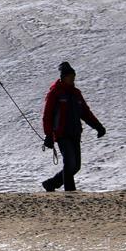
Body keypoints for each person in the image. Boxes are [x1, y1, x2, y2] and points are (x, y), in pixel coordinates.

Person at [41, 61, 106, 192]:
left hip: (75, 133)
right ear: (63, 77)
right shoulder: (55, 93)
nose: (73, 79)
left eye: (73, 76)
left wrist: (98, 127)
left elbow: (85, 113)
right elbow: (47, 115)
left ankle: (51, 184)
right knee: (69, 163)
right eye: (70, 76)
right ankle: (70, 192)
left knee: (76, 166)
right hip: (62, 134)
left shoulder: (76, 94)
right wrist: (48, 135)